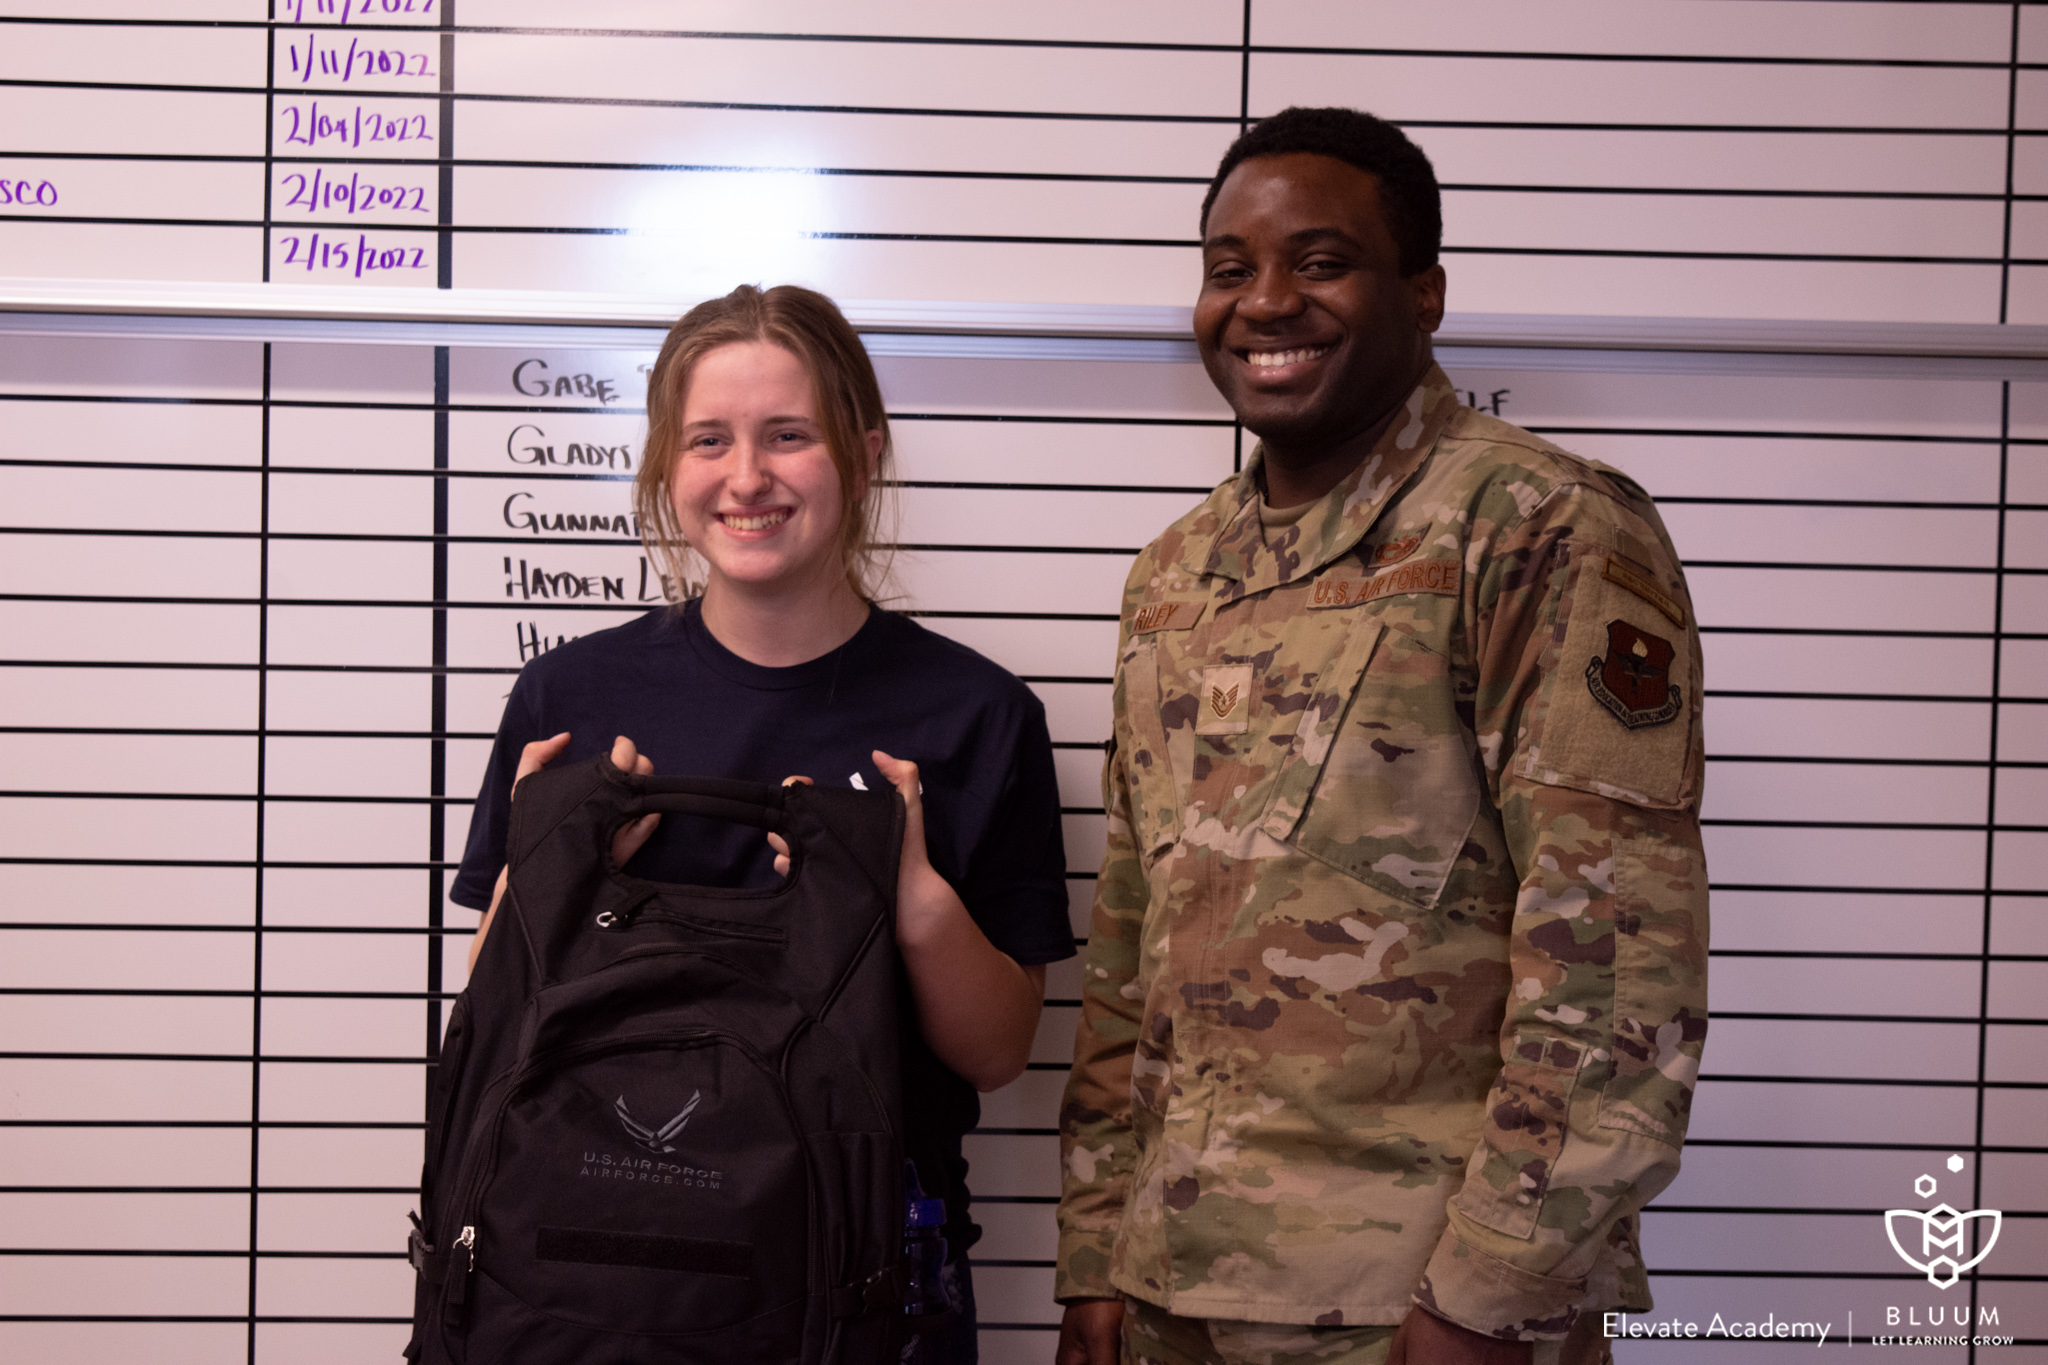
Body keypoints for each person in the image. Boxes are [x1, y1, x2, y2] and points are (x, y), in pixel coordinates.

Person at [1053, 107, 1709, 1365]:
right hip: (1166, 1292)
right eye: (1227, 270)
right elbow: (1130, 943)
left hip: (1408, 1309)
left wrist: (1490, 1292)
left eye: (1319, 261)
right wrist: (1095, 1250)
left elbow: (1618, 960)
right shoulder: (1174, 575)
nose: (1264, 303)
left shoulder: (1536, 527)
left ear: (1424, 292)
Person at [452, 283, 1075, 1364]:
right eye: (708, 441)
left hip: (864, 1276)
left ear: (863, 454)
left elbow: (995, 1054)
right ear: (663, 465)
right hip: (584, 1272)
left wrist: (911, 896)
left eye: (789, 436)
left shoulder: (976, 716)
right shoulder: (566, 701)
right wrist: (557, 879)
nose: (746, 477)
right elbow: (488, 1025)